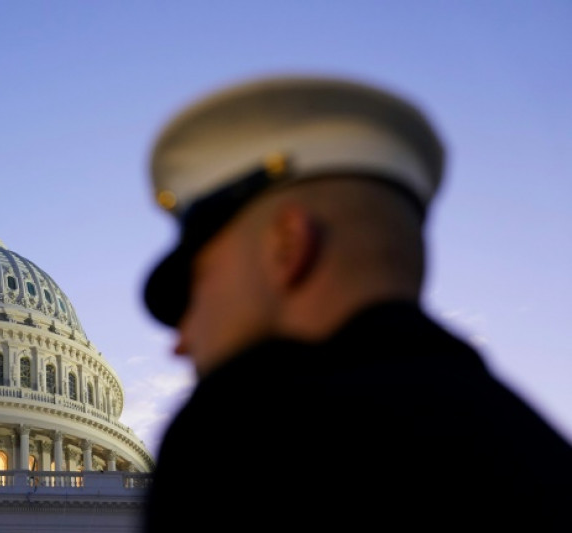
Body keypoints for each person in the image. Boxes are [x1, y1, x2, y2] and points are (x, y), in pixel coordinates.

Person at [140, 75, 572, 531]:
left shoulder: (247, 435)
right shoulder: (537, 449)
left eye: (194, 288)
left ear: (288, 246)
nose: (180, 342)